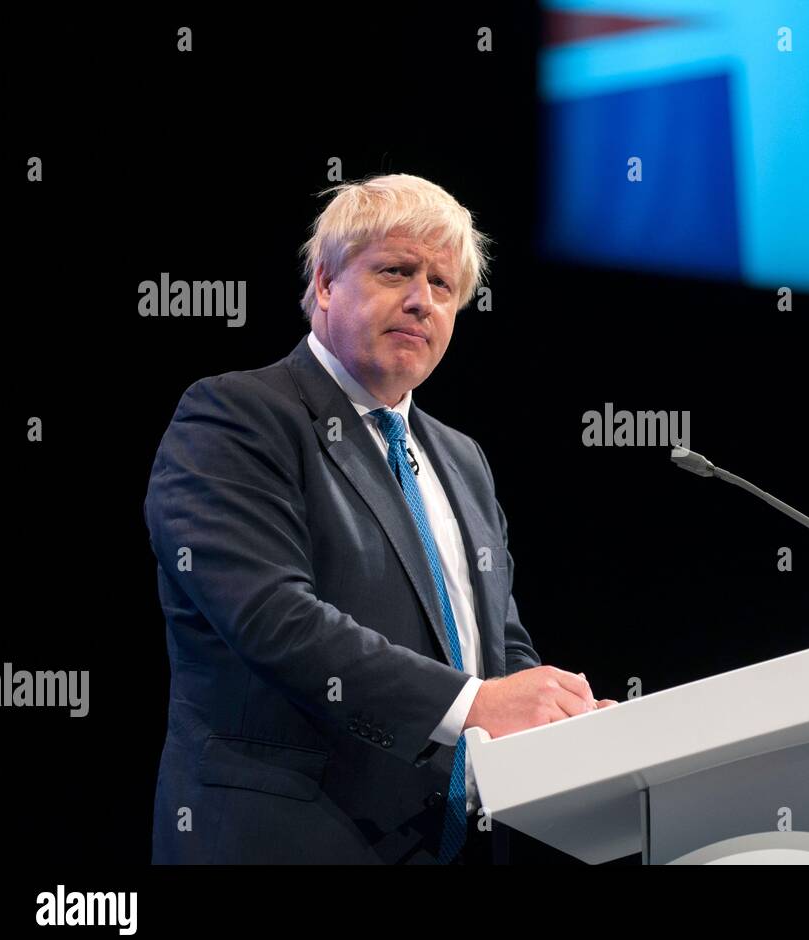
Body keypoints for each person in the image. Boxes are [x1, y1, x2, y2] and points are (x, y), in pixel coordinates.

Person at [144, 173, 616, 864]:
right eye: (396, 270)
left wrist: (560, 723)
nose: (421, 300)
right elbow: (274, 618)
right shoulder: (236, 417)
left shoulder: (463, 459)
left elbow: (498, 649)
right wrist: (474, 704)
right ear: (327, 283)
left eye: (444, 285)